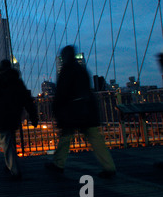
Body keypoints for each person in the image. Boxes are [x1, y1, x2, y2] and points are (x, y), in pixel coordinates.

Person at [45, 45, 116, 178]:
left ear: (65, 57)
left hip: (72, 112)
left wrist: (56, 110)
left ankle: (58, 164)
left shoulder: (66, 71)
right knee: (95, 139)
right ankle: (109, 167)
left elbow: (62, 93)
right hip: (87, 110)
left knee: (65, 137)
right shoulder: (81, 69)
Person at [0, 59, 38, 180]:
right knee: (10, 139)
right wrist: (33, 116)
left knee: (6, 141)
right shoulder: (17, 81)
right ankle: (9, 164)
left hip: (0, 116)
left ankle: (14, 170)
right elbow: (27, 100)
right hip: (14, 115)